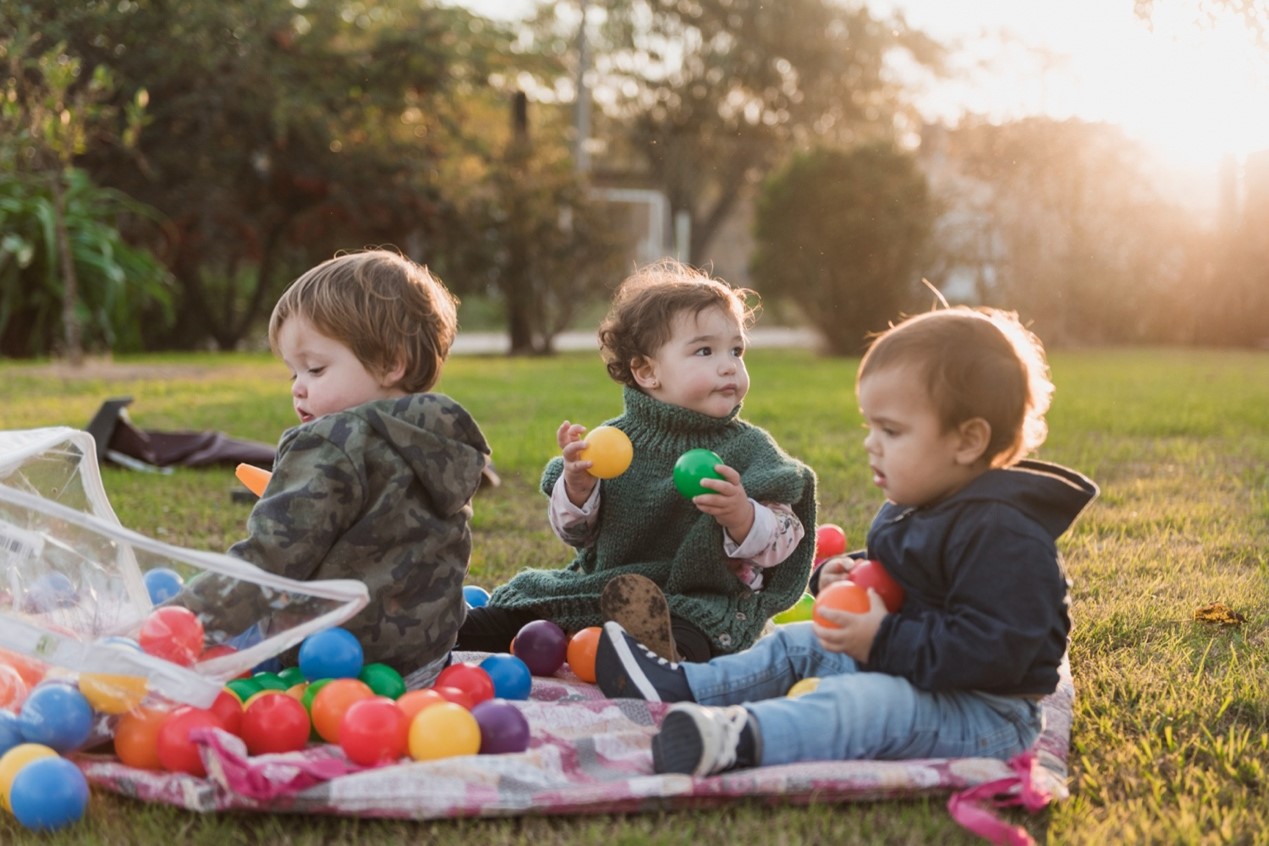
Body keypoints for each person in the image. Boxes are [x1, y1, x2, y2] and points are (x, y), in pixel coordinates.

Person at [594, 306, 1098, 777]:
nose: (869, 443)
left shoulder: (1007, 537)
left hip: (983, 713)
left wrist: (882, 638)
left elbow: (997, 651)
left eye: (892, 431)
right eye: (870, 426)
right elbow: (910, 577)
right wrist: (847, 573)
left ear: (967, 441)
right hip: (912, 671)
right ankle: (683, 687)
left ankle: (736, 740)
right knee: (799, 644)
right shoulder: (927, 502)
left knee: (863, 706)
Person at [456, 259, 817, 663]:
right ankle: (441, 636)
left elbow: (787, 539)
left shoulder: (750, 451)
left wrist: (743, 516)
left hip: (696, 600)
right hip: (600, 587)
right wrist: (578, 489)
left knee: (693, 637)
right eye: (704, 350)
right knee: (520, 614)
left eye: (736, 350)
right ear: (646, 371)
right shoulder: (612, 443)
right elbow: (577, 536)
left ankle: (649, 660)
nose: (728, 364)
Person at [176, 249, 490, 688]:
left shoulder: (331, 442)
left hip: (334, 663)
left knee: (220, 631)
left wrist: (182, 622)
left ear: (390, 363)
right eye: (293, 374)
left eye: (315, 369)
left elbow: (271, 561)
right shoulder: (439, 438)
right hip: (423, 662)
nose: (298, 389)